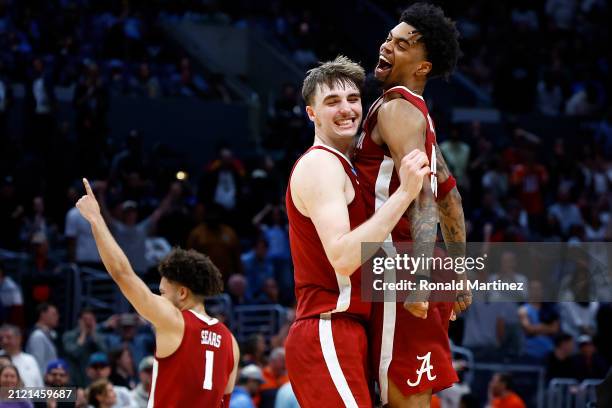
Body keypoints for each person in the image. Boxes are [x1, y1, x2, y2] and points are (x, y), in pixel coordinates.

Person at [285, 56, 429, 407]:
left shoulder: (347, 167)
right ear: (311, 114)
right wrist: (406, 192)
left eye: (352, 99)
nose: (346, 109)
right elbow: (343, 257)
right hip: (326, 325)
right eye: (332, 102)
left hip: (351, 329)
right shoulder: (321, 165)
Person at [353, 4, 466, 406]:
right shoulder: (418, 114)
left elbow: (423, 196)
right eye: (389, 38)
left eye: (402, 45)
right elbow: (450, 197)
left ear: (422, 67)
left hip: (398, 266)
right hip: (421, 262)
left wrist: (418, 278)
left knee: (401, 399)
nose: (387, 47)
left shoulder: (398, 109)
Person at [75, 178, 239, 407]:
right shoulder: (230, 341)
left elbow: (123, 274)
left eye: (162, 293)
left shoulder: (174, 319)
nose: (159, 299)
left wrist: (95, 219)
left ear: (182, 293)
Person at [25, 303, 59, 376]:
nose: (57, 317)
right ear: (43, 314)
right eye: (54, 314)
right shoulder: (38, 336)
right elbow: (37, 364)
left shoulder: (48, 334)